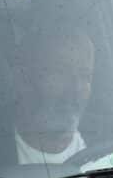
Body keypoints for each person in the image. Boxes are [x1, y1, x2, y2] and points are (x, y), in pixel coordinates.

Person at [11, 35, 97, 166]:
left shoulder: (110, 139)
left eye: (85, 75)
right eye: (60, 72)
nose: (76, 88)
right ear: (25, 79)